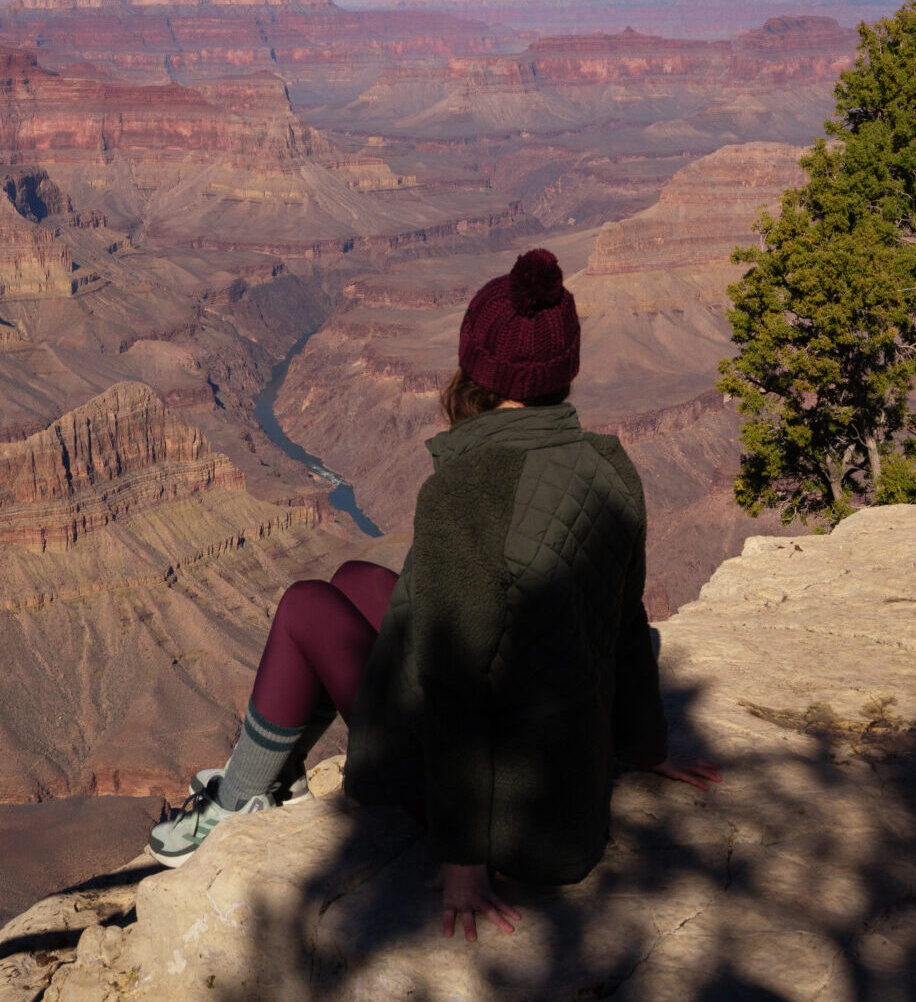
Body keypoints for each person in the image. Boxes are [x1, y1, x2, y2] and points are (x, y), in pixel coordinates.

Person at [149, 248, 720, 938]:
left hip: (505, 820)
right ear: (565, 370)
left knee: (305, 605)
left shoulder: (466, 489)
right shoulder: (611, 465)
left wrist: (462, 860)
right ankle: (268, 777)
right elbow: (626, 626)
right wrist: (648, 743)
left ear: (472, 366)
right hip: (561, 787)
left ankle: (236, 802)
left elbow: (455, 687)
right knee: (356, 580)